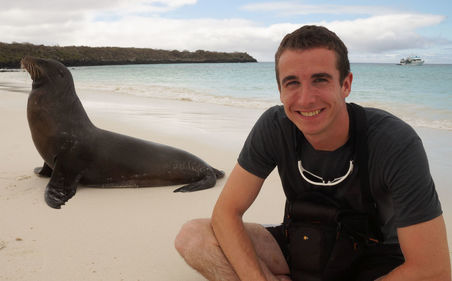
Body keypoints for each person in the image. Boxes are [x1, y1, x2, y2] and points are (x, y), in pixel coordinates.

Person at [174, 25, 451, 281]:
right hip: (303, 244)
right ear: (280, 90)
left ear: (346, 84)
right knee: (194, 237)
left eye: (320, 80)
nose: (305, 99)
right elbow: (226, 212)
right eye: (292, 82)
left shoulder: (393, 142)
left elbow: (434, 268)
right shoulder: (274, 127)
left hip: (373, 259)